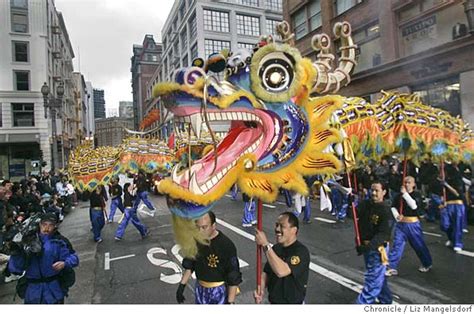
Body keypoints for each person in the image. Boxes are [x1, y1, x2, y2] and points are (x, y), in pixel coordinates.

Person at [8, 213, 79, 304]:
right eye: (44, 224)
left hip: (54, 289)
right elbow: (16, 269)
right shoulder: (27, 241)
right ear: (40, 224)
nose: (47, 228)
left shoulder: (59, 241)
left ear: (55, 226)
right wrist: (16, 252)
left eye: (50, 225)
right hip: (33, 292)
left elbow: (74, 258)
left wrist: (65, 263)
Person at [176, 211, 242, 304]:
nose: (200, 231)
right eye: (198, 227)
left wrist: (230, 302)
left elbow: (233, 274)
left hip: (219, 292)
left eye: (204, 227)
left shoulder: (226, 245)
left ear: (213, 225)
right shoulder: (196, 241)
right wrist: (181, 286)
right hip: (200, 290)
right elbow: (191, 264)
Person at [254, 212, 310, 304]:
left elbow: (281, 271)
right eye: (276, 225)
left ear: (294, 230)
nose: (277, 229)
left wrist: (265, 244)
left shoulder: (301, 252)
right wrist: (261, 288)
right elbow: (266, 272)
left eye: (282, 226)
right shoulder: (276, 248)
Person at [385, 176, 432, 276]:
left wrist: (405, 194)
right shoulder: (398, 196)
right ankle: (392, 267)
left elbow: (414, 206)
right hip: (401, 224)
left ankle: (427, 263)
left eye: (409, 182)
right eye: (405, 182)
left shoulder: (417, 194)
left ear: (413, 184)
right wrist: (397, 215)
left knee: (418, 245)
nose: (406, 184)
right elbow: (393, 207)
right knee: (397, 245)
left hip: (413, 224)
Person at [355, 181, 393, 304]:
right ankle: (386, 300)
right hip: (366, 246)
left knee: (372, 282)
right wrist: (350, 200)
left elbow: (384, 234)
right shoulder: (367, 204)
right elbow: (354, 214)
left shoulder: (386, 210)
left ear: (384, 192)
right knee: (377, 277)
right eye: (372, 190)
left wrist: (368, 247)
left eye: (377, 190)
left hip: (377, 249)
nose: (374, 193)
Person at [440, 163, 465, 252]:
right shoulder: (443, 179)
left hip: (457, 204)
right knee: (444, 225)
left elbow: (457, 193)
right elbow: (442, 193)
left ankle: (457, 243)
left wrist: (446, 185)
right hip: (447, 204)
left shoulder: (457, 179)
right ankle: (451, 238)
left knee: (457, 225)